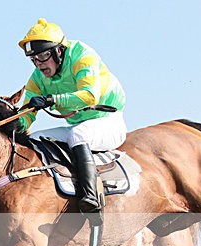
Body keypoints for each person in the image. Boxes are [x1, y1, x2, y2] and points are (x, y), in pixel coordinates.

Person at [16, 19, 126, 215]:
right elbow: (27, 115)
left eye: (43, 56)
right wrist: (13, 123)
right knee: (34, 139)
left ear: (59, 51)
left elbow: (90, 96)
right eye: (34, 59)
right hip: (78, 126)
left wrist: (52, 99)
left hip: (108, 121)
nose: (39, 65)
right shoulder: (37, 78)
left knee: (78, 135)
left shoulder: (82, 56)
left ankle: (91, 198)